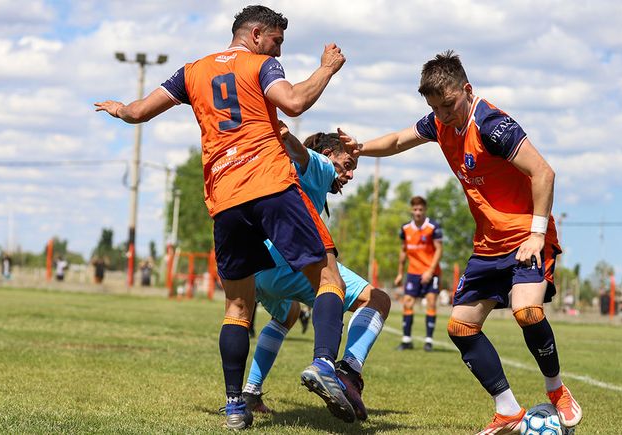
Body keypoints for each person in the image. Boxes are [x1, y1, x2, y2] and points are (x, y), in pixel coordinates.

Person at [95, 5, 351, 429]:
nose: (279, 48)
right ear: (254, 35)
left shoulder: (191, 71)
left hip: (226, 198)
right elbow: (295, 101)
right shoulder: (261, 64)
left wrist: (119, 108)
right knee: (329, 279)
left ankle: (235, 404)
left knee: (236, 305)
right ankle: (325, 363)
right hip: (271, 184)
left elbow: (139, 113)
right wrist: (326, 68)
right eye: (276, 40)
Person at [340, 50, 582, 433]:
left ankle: (556, 390)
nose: (444, 115)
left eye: (449, 105)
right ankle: (508, 411)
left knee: (527, 312)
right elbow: (400, 140)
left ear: (466, 90)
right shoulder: (440, 123)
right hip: (487, 245)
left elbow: (544, 172)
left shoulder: (492, 124)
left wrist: (537, 234)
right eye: (436, 109)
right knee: (461, 327)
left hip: (526, 238)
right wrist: (361, 148)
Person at [243, 130, 390, 422]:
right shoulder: (319, 166)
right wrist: (280, 130)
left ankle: (250, 392)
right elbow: (300, 151)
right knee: (376, 300)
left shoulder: (286, 172)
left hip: (259, 269)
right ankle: (345, 371)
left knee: (288, 315)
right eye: (348, 165)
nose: (350, 175)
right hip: (290, 263)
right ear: (328, 155)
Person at [393, 196, 443, 352]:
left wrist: (429, 271)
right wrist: (400, 273)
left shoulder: (433, 227)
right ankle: (406, 340)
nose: (418, 212)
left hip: (431, 272)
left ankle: (429, 341)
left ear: (425, 210)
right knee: (407, 303)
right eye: (415, 209)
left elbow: (439, 250)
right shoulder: (405, 228)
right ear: (411, 210)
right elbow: (403, 251)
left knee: (431, 303)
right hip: (413, 272)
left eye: (421, 209)